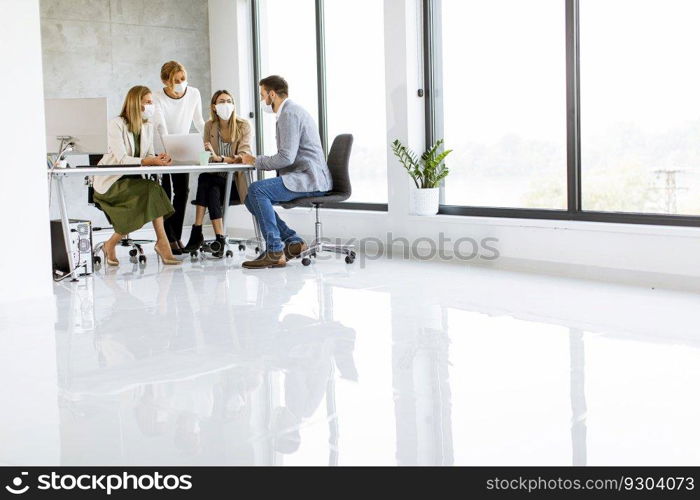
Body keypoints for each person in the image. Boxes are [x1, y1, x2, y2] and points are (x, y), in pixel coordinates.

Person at [239, 75, 332, 269]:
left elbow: (286, 158)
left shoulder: (289, 114)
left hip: (310, 179)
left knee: (257, 190)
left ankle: (274, 250)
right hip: (305, 176)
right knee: (251, 198)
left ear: (272, 94)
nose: (262, 100)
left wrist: (256, 160)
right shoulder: (289, 113)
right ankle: (293, 242)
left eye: (262, 95)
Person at [93, 85, 181, 266]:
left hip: (134, 182)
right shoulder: (115, 124)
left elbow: (148, 154)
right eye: (148, 102)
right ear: (135, 103)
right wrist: (151, 161)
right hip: (111, 183)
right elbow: (122, 158)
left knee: (152, 192)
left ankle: (111, 244)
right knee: (153, 192)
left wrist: (159, 158)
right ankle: (162, 243)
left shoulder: (148, 127)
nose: (151, 106)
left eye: (152, 102)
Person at [182, 90, 252, 257]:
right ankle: (219, 239)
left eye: (229, 101)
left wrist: (219, 158)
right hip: (215, 181)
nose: (226, 104)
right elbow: (206, 157)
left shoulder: (243, 126)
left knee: (207, 181)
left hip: (235, 183)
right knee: (209, 184)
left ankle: (197, 231)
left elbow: (243, 157)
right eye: (221, 101)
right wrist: (204, 154)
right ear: (214, 107)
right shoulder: (210, 126)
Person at [152, 60, 206, 255]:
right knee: (165, 193)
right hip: (162, 149)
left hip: (182, 148)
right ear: (165, 81)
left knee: (182, 191)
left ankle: (175, 236)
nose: (182, 83)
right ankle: (168, 239)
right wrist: (167, 146)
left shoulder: (193, 93)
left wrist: (208, 141)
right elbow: (160, 125)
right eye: (176, 80)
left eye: (183, 78)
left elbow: (199, 121)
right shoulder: (157, 97)